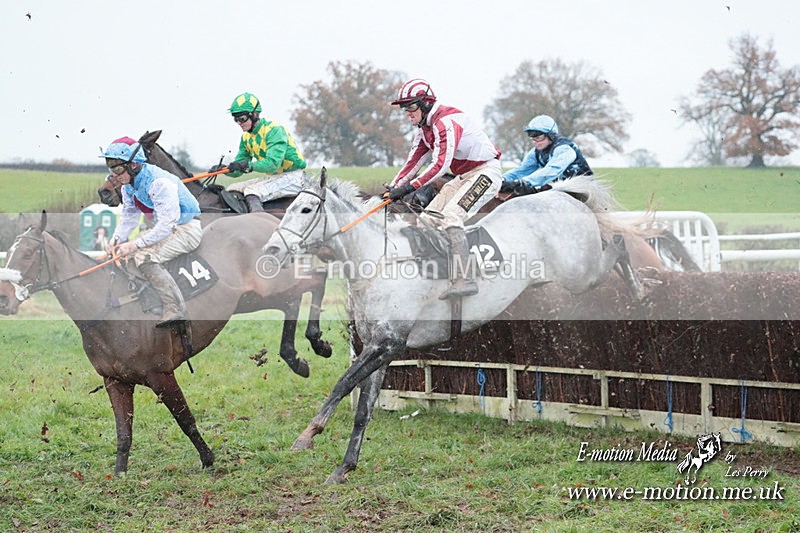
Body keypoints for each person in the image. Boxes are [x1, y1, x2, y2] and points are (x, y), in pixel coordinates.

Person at [386, 79, 503, 300]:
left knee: (450, 216)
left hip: (486, 172)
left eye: (411, 107)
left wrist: (409, 187)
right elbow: (413, 162)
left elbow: (439, 165)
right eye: (404, 108)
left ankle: (464, 278)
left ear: (426, 104)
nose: (407, 113)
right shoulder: (423, 129)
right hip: (464, 175)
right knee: (426, 220)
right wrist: (393, 188)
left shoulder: (445, 123)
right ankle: (444, 270)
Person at [101, 136, 202, 328]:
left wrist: (134, 244)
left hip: (186, 229)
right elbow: (129, 216)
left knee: (144, 256)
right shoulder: (129, 186)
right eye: (111, 169)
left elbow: (166, 225)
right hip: (168, 227)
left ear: (134, 166)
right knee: (123, 252)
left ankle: (175, 308)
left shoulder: (159, 183)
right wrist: (116, 240)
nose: (114, 175)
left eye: (118, 169)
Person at [211, 92, 307, 213]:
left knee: (252, 191)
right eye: (236, 119)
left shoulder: (274, 130)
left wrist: (248, 166)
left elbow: (272, 164)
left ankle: (259, 223)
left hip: (294, 177)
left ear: (255, 114)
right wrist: (224, 169)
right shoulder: (246, 138)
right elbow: (238, 169)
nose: (239, 122)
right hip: (276, 177)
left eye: (242, 118)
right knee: (232, 188)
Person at [500, 114, 592, 195]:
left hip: (585, 192)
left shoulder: (565, 149)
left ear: (551, 135)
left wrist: (523, 182)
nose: (535, 142)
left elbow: (551, 171)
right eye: (533, 138)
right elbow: (521, 171)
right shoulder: (536, 152)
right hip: (563, 190)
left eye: (539, 138)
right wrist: (502, 179)